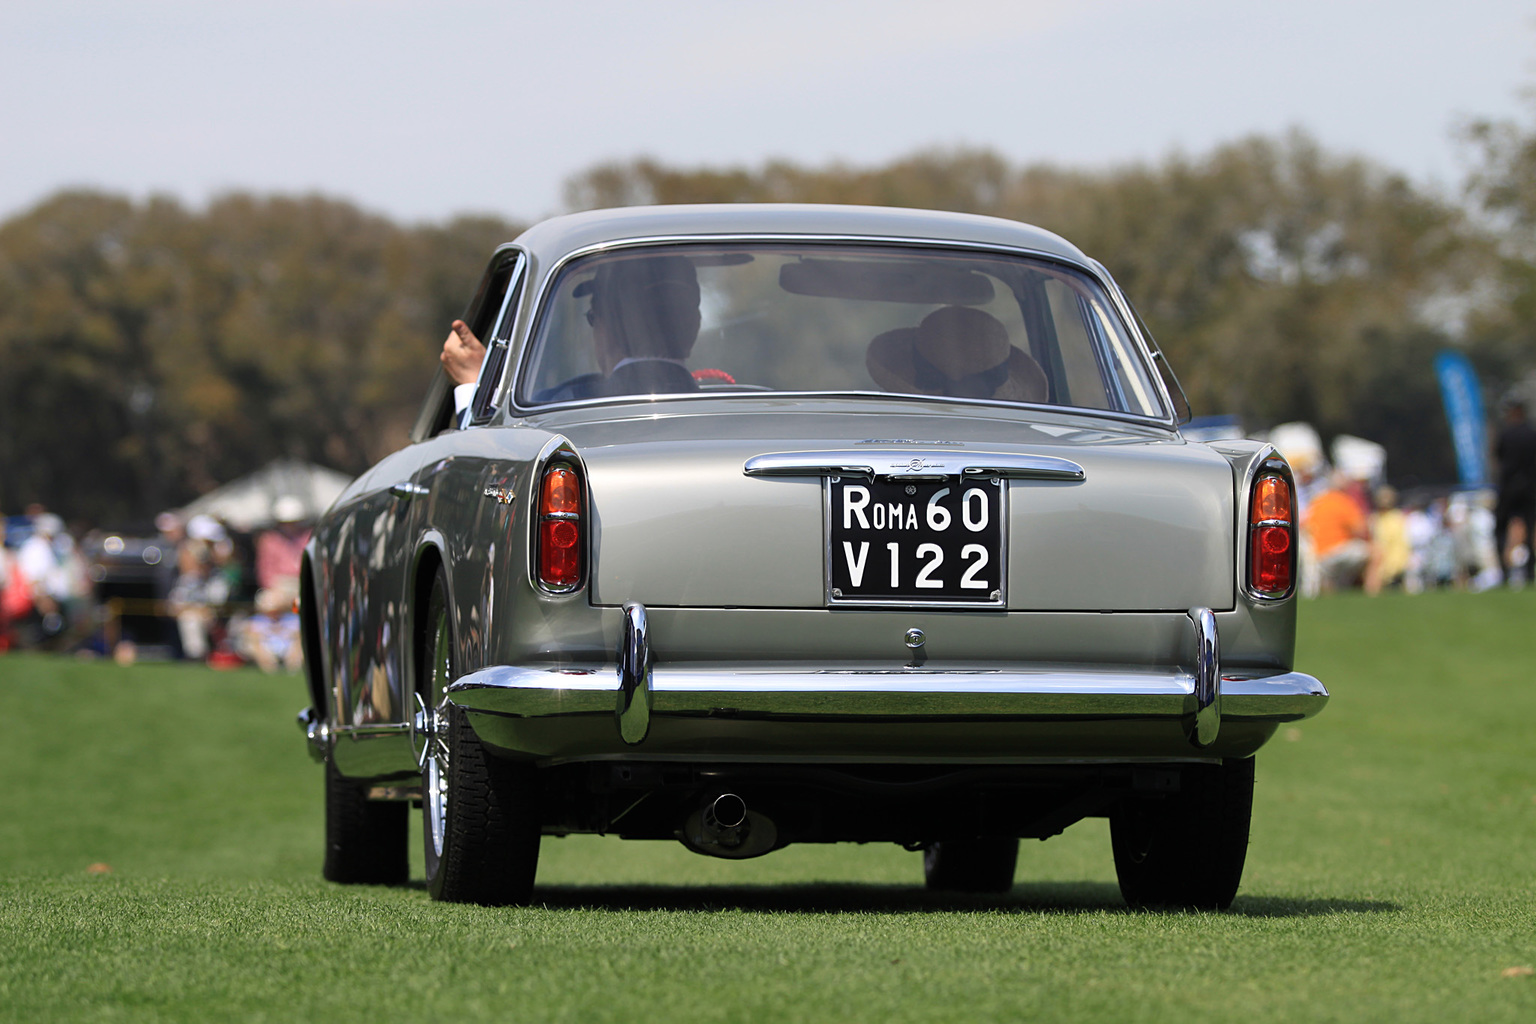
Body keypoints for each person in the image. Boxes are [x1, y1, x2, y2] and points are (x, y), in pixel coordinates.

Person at [1302, 473, 1371, 592]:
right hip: (1339, 550)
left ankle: (1330, 598)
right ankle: (1372, 593)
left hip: (1319, 554)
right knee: (1376, 554)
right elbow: (1360, 530)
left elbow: (1304, 526)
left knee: (1333, 577)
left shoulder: (1318, 502)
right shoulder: (1343, 501)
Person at [1493, 399, 1536, 586]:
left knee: (1500, 528)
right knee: (1531, 528)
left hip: (1509, 488)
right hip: (1530, 489)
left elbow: (1499, 457)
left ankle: (1504, 571)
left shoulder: (1506, 434)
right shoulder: (1532, 434)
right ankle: (1529, 571)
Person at [255, 496, 310, 601]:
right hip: (279, 586)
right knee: (267, 602)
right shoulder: (269, 540)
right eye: (286, 522)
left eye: (293, 522)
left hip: (303, 583)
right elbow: (265, 571)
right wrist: (275, 589)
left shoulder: (308, 537)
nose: (289, 526)